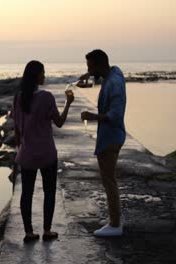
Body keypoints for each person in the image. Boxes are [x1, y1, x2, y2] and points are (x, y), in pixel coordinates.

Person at [10, 60, 74, 242]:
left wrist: (19, 149)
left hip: (27, 154)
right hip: (46, 154)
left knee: (26, 194)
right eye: (43, 73)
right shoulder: (46, 97)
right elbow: (59, 122)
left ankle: (28, 232)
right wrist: (68, 103)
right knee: (49, 192)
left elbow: (16, 128)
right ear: (36, 75)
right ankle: (47, 230)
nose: (44, 76)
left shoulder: (18, 97)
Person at [78, 49, 127, 237]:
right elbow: (98, 76)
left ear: (100, 64)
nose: (88, 70)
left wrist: (92, 116)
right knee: (109, 180)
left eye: (90, 67)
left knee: (109, 181)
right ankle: (114, 220)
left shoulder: (113, 83)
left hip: (110, 137)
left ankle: (115, 224)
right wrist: (89, 75)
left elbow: (115, 114)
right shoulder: (112, 75)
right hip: (110, 136)